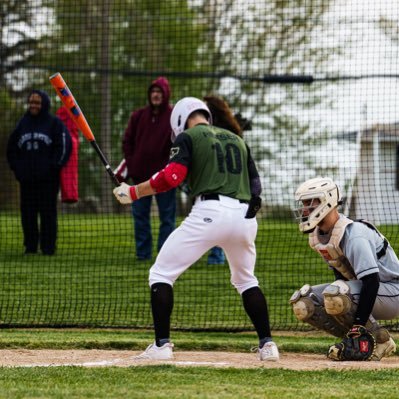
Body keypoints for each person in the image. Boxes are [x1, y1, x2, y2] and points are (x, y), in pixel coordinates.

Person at [113, 97, 279, 362]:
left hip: (209, 212)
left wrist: (133, 192)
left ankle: (161, 346)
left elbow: (171, 177)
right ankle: (268, 346)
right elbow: (256, 185)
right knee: (247, 280)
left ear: (180, 119)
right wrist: (248, 213)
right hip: (246, 216)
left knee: (161, 273)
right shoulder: (237, 139)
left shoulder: (188, 137)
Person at [291, 176, 399, 361]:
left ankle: (378, 340)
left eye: (310, 202)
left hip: (392, 291)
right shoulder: (320, 237)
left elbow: (371, 282)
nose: (305, 208)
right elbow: (341, 275)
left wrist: (358, 323)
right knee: (303, 303)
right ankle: (363, 341)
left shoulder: (354, 234)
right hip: (367, 290)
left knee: (337, 294)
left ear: (327, 200)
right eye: (304, 203)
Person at [7, 90, 72, 255]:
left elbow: (65, 145)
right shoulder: (23, 123)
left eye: (37, 102)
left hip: (48, 181)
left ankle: (48, 247)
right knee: (27, 213)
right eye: (31, 102)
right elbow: (11, 149)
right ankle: (30, 246)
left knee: (48, 213)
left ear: (44, 104)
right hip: (27, 180)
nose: (33, 106)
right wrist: (18, 170)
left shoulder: (54, 123)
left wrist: (54, 166)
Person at [121, 77, 176, 260]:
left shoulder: (174, 116)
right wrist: (132, 164)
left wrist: (172, 168)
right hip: (140, 178)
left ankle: (165, 256)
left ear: (166, 94)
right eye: (153, 91)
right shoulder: (138, 116)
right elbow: (127, 141)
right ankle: (143, 254)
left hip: (165, 179)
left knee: (167, 219)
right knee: (140, 218)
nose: (155, 95)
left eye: (159, 92)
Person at [203, 95, 244, 265]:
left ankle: (217, 256)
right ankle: (218, 255)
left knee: (220, 219)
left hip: (225, 183)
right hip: (211, 182)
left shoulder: (226, 132)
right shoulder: (207, 130)